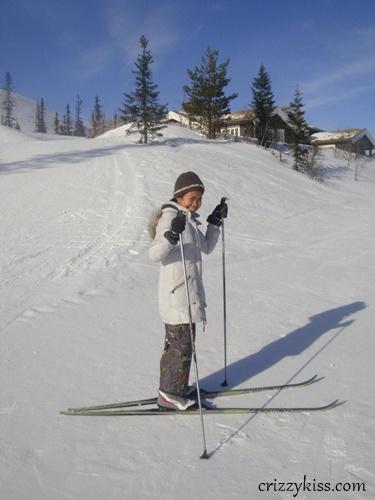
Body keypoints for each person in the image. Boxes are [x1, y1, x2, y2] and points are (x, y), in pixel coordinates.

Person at [149, 171, 228, 410]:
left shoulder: (189, 220)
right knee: (179, 347)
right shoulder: (170, 217)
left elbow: (206, 247)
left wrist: (214, 223)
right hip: (176, 297)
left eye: (199, 199)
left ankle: (178, 387)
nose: (196, 203)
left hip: (189, 295)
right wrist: (172, 235)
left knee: (185, 344)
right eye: (191, 198)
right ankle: (169, 394)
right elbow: (154, 254)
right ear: (180, 196)